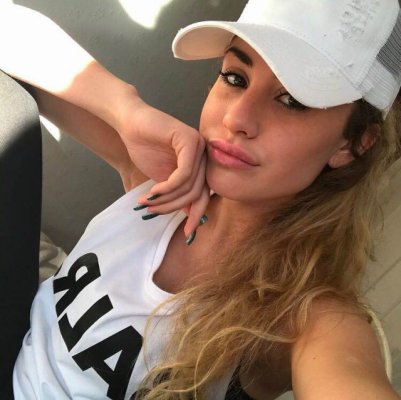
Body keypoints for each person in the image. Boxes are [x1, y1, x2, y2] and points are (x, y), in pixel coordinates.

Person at [1, 0, 401, 399]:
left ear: (353, 143)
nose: (236, 118)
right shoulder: (161, 178)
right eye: (235, 77)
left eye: (292, 100)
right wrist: (126, 111)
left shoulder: (306, 315)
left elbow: (348, 375)